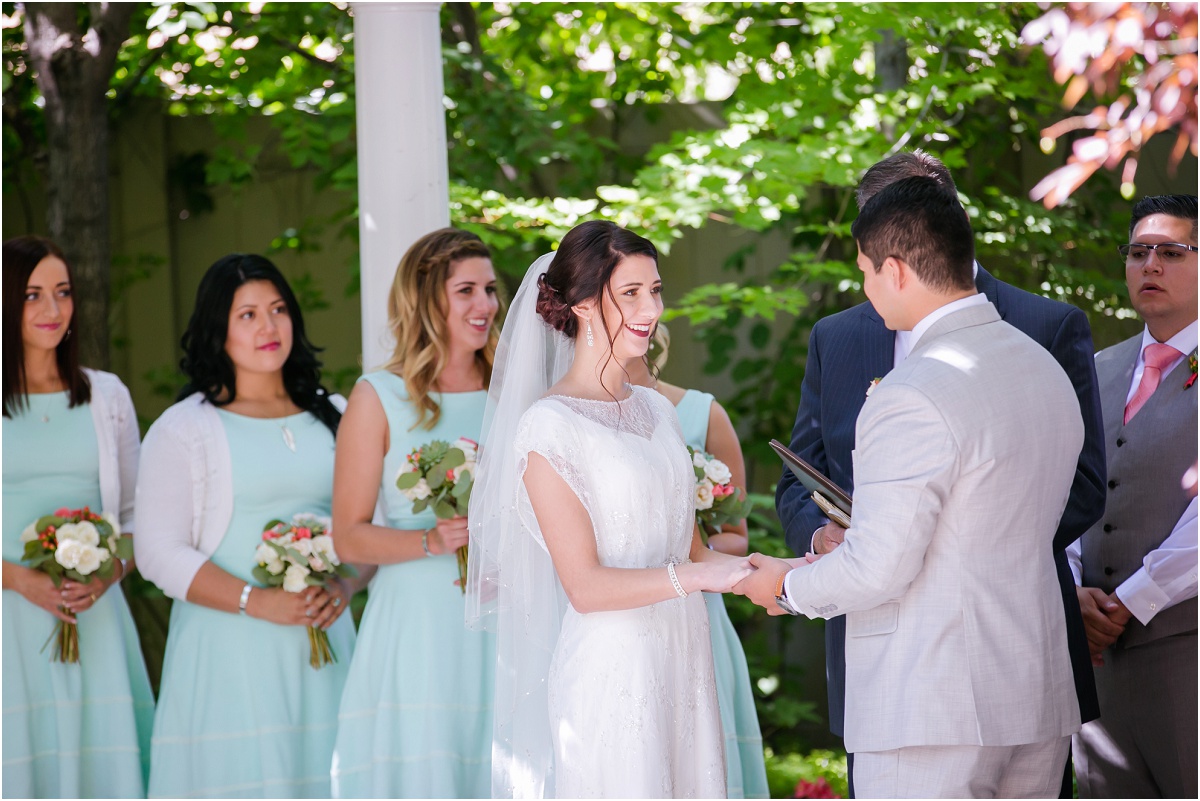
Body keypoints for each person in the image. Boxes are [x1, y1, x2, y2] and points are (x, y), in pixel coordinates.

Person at [739, 177, 1083, 797]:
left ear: (895, 270)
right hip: (1035, 688)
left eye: (867, 271)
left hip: (930, 701)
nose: (866, 290)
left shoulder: (912, 391)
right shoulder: (1041, 367)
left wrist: (787, 587)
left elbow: (879, 568)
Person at [466, 219, 753, 798]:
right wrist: (703, 576)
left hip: (684, 656)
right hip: (614, 667)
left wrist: (781, 572)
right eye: (630, 293)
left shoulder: (659, 412)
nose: (650, 307)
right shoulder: (547, 428)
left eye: (655, 290)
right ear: (580, 304)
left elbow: (695, 549)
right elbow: (586, 587)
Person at [134, 254, 357, 797]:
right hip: (229, 653)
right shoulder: (184, 429)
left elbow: (366, 525)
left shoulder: (337, 412)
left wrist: (348, 584)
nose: (269, 326)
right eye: (249, 315)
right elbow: (157, 552)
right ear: (219, 331)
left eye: (278, 310)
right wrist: (257, 602)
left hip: (326, 643)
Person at [330, 228, 499, 798]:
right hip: (416, 625)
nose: (485, 306)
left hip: (503, 611)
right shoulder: (377, 395)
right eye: (467, 291)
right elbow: (349, 538)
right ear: (426, 300)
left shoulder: (514, 391)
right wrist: (431, 542)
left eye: (491, 290)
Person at [1, 235, 154, 798]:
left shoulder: (107, 396)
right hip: (6, 624)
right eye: (32, 295)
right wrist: (19, 579)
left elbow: (140, 520)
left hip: (95, 620)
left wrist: (108, 574)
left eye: (62, 293)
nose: (52, 310)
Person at [1068, 194, 1197, 799]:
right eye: (1138, 252)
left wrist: (1130, 601)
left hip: (1186, 651)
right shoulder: (1097, 369)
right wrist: (1073, 593)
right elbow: (1064, 495)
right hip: (1098, 662)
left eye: (1172, 252)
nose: (1150, 266)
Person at [629, 324, 769, 799]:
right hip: (623, 615)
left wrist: (691, 549)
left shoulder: (700, 412)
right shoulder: (571, 416)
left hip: (697, 614)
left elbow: (736, 536)